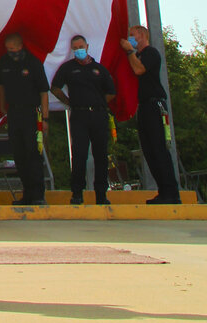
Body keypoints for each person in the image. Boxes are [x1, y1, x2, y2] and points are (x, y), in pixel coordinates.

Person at [51, 34, 116, 204]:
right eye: (75, 48)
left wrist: (98, 103)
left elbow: (111, 92)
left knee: (101, 155)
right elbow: (55, 87)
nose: (78, 50)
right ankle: (77, 193)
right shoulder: (68, 68)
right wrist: (68, 102)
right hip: (79, 115)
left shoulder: (99, 68)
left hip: (98, 115)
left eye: (81, 47)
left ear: (87, 46)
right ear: (72, 50)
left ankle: (101, 194)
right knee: (79, 155)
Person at [120, 25, 180, 204]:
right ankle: (163, 192)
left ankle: (171, 193)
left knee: (159, 148)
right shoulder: (136, 56)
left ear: (142, 35)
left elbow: (139, 70)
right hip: (143, 107)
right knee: (149, 150)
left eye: (132, 35)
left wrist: (130, 51)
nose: (130, 38)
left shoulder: (151, 53)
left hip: (156, 105)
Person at [0, 32, 49, 204]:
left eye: (12, 48)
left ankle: (38, 195)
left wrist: (45, 118)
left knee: (33, 153)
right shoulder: (4, 62)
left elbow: (43, 92)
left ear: (20, 46)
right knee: (19, 155)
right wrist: (3, 106)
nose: (9, 51)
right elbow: (1, 85)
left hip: (31, 113)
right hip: (14, 113)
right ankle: (27, 195)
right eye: (7, 49)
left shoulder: (33, 63)